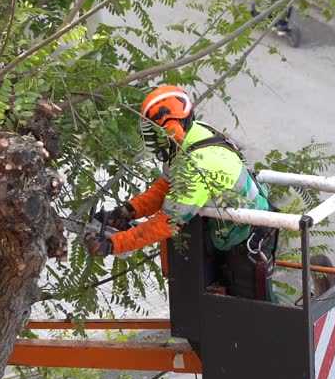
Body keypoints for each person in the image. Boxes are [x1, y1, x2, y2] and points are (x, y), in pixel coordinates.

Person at [83, 85, 278, 300]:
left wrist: (114, 245)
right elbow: (165, 187)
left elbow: (168, 222)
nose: (152, 142)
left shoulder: (198, 165)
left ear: (172, 129)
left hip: (249, 236)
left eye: (155, 134)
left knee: (254, 307)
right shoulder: (191, 136)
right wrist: (129, 211)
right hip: (225, 230)